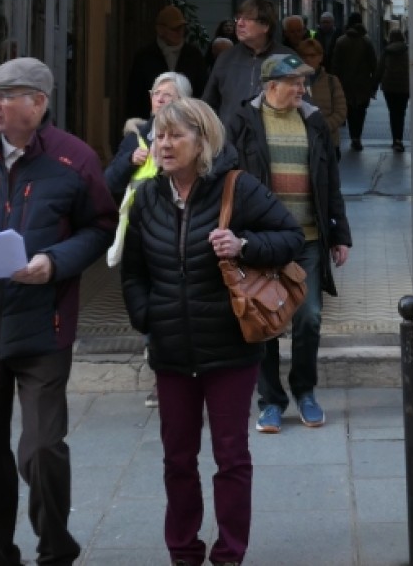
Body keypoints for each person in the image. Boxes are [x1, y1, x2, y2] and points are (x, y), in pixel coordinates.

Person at [0, 57, 117, 566]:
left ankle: (56, 549)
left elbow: (100, 227)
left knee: (42, 450)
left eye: (7, 95)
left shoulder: (74, 159)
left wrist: (54, 263)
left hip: (42, 328)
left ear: (38, 102)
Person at [121, 97, 304, 566]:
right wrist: (146, 316)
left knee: (231, 456)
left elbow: (291, 238)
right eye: (160, 136)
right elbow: (133, 271)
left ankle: (229, 554)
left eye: (175, 136)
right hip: (171, 351)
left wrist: (243, 244)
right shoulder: (147, 197)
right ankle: (184, 551)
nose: (164, 145)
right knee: (177, 459)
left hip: (229, 349)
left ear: (202, 141)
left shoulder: (238, 188)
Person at [229, 51, 352, 432]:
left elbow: (330, 181)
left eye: (303, 82)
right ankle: (270, 400)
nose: (303, 89)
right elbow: (228, 178)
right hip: (262, 240)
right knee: (264, 318)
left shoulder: (314, 121)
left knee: (309, 316)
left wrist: (340, 235)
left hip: (308, 238)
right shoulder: (242, 121)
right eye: (295, 83)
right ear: (272, 86)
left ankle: (305, 391)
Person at [203, 0, 289, 132]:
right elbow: (208, 104)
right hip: (230, 140)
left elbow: (303, 105)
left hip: (271, 139)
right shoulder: (226, 58)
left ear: (265, 26)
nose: (239, 23)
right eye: (238, 18)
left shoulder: (287, 59)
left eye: (247, 19)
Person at [105, 70, 193, 200]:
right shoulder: (136, 135)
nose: (159, 99)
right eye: (156, 93)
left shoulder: (193, 138)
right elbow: (108, 183)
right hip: (138, 211)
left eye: (167, 95)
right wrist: (130, 161)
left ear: (183, 101)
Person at [126, 4, 206, 120]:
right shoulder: (144, 56)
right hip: (152, 120)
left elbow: (202, 91)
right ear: (160, 30)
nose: (179, 32)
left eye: (181, 28)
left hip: (186, 120)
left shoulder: (194, 55)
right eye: (174, 29)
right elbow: (134, 96)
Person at [331, 12, 379, 150]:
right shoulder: (366, 41)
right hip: (363, 83)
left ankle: (354, 137)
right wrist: (374, 84)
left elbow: (335, 65)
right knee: (361, 111)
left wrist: (334, 82)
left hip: (345, 83)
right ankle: (357, 136)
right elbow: (374, 64)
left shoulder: (341, 41)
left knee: (350, 110)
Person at [298, 35, 348, 154]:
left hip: (328, 142)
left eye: (312, 56)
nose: (308, 59)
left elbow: (341, 112)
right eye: (304, 56)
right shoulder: (291, 82)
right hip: (301, 142)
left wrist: (322, 126)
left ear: (320, 57)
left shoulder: (331, 81)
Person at [377, 25, 410, 150]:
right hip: (404, 86)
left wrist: (374, 86)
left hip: (389, 86)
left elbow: (380, 69)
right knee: (401, 113)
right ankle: (399, 139)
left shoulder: (387, 51)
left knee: (393, 112)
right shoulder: (407, 50)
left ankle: (395, 139)